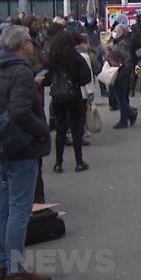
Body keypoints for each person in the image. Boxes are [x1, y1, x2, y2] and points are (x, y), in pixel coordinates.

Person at [0, 25, 52, 280]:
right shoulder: (21, 72)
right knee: (19, 210)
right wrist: (42, 130)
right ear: (22, 45)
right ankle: (15, 269)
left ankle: (3, 264)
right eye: (30, 42)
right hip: (20, 147)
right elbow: (20, 112)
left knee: (3, 208)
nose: (32, 45)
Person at [44, 30, 93, 173]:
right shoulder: (76, 57)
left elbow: (47, 80)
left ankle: (58, 163)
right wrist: (75, 81)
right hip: (74, 95)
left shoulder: (53, 58)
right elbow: (86, 78)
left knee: (61, 128)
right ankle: (79, 161)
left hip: (58, 96)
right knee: (76, 128)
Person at [108, 24, 137, 129]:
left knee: (120, 97)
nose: (115, 32)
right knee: (119, 96)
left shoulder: (123, 43)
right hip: (118, 71)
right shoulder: (120, 42)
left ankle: (128, 115)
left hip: (121, 72)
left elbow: (125, 58)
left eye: (117, 31)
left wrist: (111, 50)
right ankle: (127, 116)